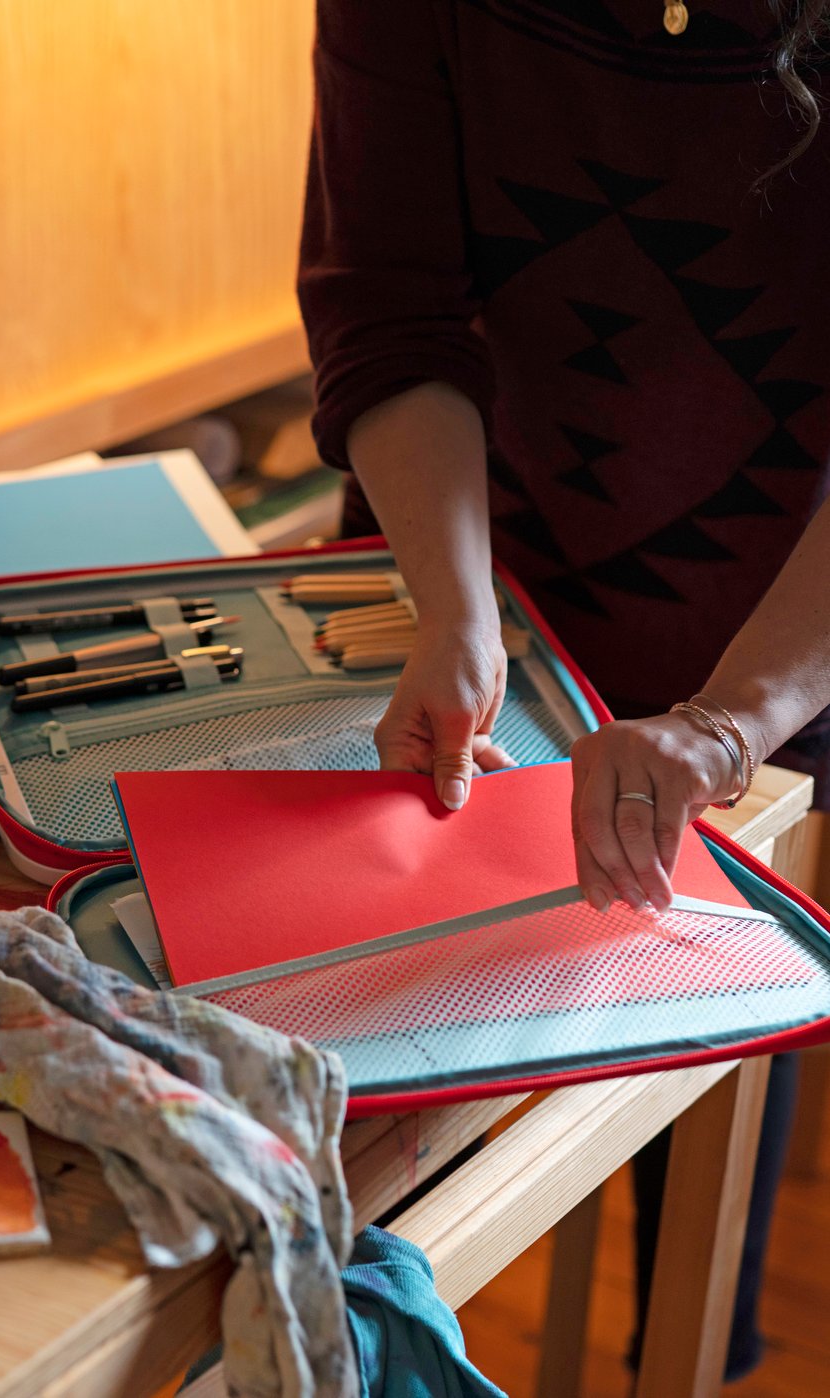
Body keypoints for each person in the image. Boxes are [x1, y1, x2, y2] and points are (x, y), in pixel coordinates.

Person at [298, 0, 830, 1379]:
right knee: (380, 1113)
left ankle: (700, 1350)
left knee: (698, 1035)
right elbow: (390, 306)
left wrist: (729, 720)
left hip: (790, 631)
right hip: (476, 572)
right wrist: (460, 609)